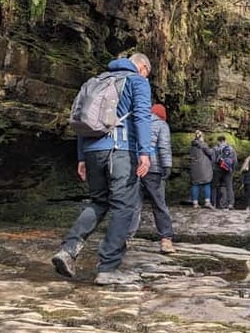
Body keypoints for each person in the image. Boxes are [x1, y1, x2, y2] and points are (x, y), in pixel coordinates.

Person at [51, 53, 152, 285]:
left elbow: (82, 119)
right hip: (121, 150)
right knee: (124, 206)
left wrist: (81, 157)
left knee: (98, 202)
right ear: (142, 67)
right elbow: (142, 116)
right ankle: (108, 268)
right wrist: (145, 152)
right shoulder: (137, 81)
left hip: (92, 152)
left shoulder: (95, 81)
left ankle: (68, 250)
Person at [127, 104, 175, 253]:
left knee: (133, 204)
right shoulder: (161, 125)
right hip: (153, 168)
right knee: (159, 204)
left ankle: (125, 238)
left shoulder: (136, 122)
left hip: (134, 167)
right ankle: (166, 239)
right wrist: (167, 166)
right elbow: (164, 146)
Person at [189, 130, 214, 208]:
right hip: (204, 168)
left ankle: (195, 203)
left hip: (194, 168)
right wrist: (213, 149)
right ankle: (207, 202)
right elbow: (210, 152)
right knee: (207, 183)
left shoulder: (192, 146)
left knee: (195, 184)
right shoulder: (203, 144)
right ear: (201, 137)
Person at [212, 136, 237, 210]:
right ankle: (230, 204)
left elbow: (213, 160)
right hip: (228, 170)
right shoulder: (231, 149)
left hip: (217, 170)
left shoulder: (215, 149)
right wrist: (232, 169)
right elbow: (235, 161)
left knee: (214, 186)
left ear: (218, 141)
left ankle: (214, 203)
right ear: (225, 140)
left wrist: (214, 168)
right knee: (229, 187)